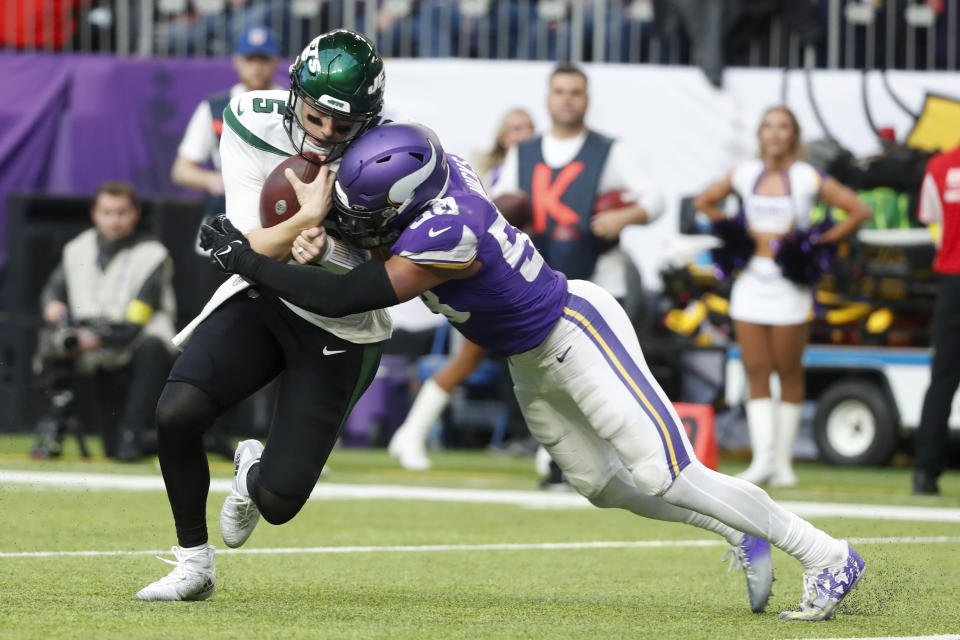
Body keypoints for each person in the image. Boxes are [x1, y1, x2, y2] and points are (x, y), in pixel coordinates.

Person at [199, 123, 867, 621]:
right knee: (601, 486)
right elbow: (368, 206)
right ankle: (734, 529)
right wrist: (317, 225)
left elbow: (351, 295)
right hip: (529, 358)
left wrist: (250, 258)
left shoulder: (445, 232)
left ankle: (826, 554)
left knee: (670, 472)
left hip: (575, 331)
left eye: (369, 215)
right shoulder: (434, 170)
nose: (358, 224)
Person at [135, 29, 397, 602]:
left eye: (345, 126)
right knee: (177, 411)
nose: (328, 135)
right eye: (317, 116)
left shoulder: (394, 151)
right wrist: (305, 221)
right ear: (293, 92)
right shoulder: (251, 119)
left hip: (342, 325)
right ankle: (193, 562)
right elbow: (248, 244)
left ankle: (253, 471)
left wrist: (331, 249)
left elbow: (390, 270)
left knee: (278, 502)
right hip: (267, 293)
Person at [693, 106, 872, 488]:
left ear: (794, 135)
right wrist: (736, 233)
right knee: (756, 369)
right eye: (769, 127)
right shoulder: (744, 174)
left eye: (783, 127)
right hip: (751, 283)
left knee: (788, 371)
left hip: (791, 284)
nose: (775, 134)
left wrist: (818, 242)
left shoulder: (807, 177)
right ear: (760, 134)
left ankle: (784, 464)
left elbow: (859, 211)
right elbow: (703, 201)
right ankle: (762, 461)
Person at [387, 107, 536, 471]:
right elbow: (490, 217)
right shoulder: (494, 174)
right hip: (488, 279)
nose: (522, 134)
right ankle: (410, 433)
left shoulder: (539, 166)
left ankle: (552, 455)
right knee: (469, 361)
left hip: (523, 275)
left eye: (528, 128)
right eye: (515, 128)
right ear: (503, 135)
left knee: (539, 364)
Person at [38, 181, 176, 462]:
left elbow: (139, 320)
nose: (114, 220)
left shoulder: (153, 254)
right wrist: (52, 304)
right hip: (97, 348)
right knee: (53, 343)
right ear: (95, 214)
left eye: (122, 212)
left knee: (151, 346)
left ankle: (133, 434)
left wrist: (97, 339)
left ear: (135, 213)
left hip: (137, 345)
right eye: (108, 212)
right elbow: (53, 288)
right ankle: (51, 428)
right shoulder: (77, 248)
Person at [171, 25, 282, 310]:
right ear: (237, 61)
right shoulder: (216, 106)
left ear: (275, 61)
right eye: (250, 59)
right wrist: (213, 179)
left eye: (263, 59)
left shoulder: (290, 104)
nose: (256, 67)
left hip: (278, 220)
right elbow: (182, 169)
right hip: (224, 217)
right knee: (212, 310)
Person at [913, 142, 960, 495]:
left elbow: (932, 220)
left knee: (943, 376)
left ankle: (925, 473)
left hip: (952, 280)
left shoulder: (941, 166)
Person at [474, 108, 535, 190]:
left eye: (531, 128)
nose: (527, 134)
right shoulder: (491, 176)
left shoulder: (540, 171)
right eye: (517, 129)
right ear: (503, 138)